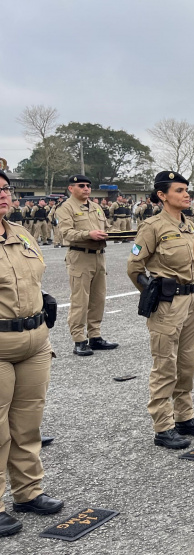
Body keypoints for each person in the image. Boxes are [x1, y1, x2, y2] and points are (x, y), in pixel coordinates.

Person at [0, 171, 65, 538]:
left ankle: (28, 492)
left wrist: (42, 302)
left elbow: (33, 279)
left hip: (35, 340)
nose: (3, 195)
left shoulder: (21, 233)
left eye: (5, 189)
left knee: (27, 425)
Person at [127, 171, 194, 451]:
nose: (186, 195)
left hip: (192, 298)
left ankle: (184, 417)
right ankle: (163, 426)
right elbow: (135, 267)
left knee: (187, 362)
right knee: (165, 365)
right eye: (179, 190)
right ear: (162, 195)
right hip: (168, 303)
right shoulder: (152, 226)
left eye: (187, 190)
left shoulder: (191, 225)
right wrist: (153, 295)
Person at [56, 175, 118, 356]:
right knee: (80, 300)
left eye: (88, 186)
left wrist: (122, 234)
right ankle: (79, 339)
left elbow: (106, 228)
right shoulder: (66, 208)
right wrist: (88, 234)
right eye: (81, 185)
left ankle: (95, 336)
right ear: (71, 188)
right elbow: (66, 233)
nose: (86, 189)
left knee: (98, 299)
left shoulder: (96, 207)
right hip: (80, 256)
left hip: (99, 256)